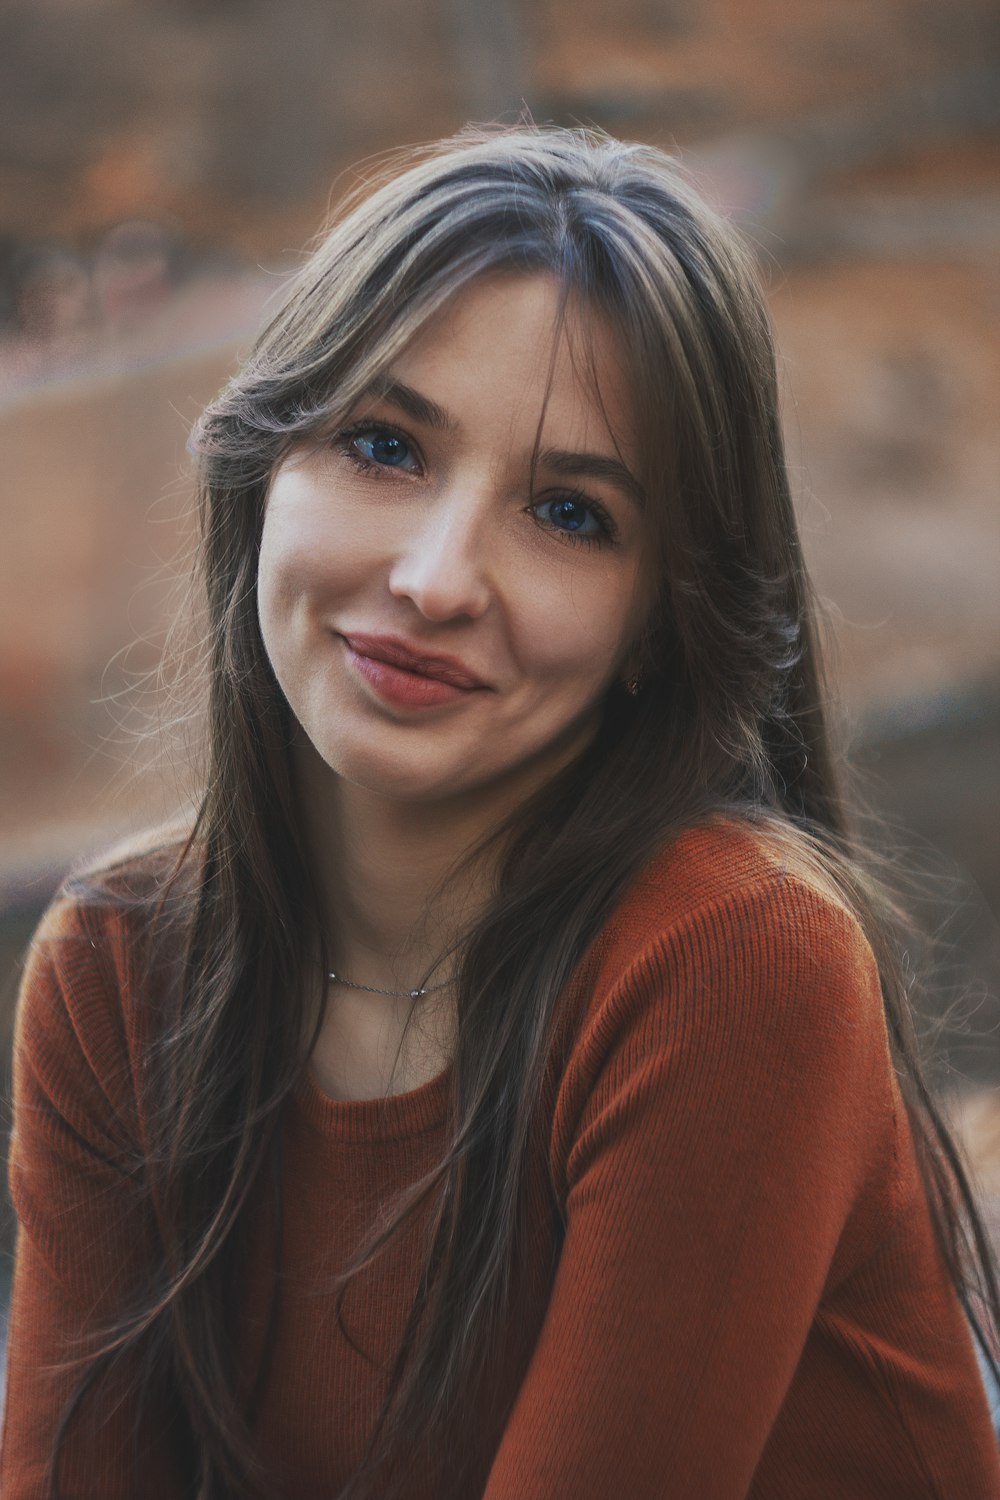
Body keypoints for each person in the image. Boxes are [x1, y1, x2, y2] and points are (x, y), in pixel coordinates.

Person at [2, 124, 999, 1500]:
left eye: (571, 514)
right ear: (260, 472)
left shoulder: (732, 961)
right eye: (382, 443)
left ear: (663, 620)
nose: (437, 575)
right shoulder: (117, 967)